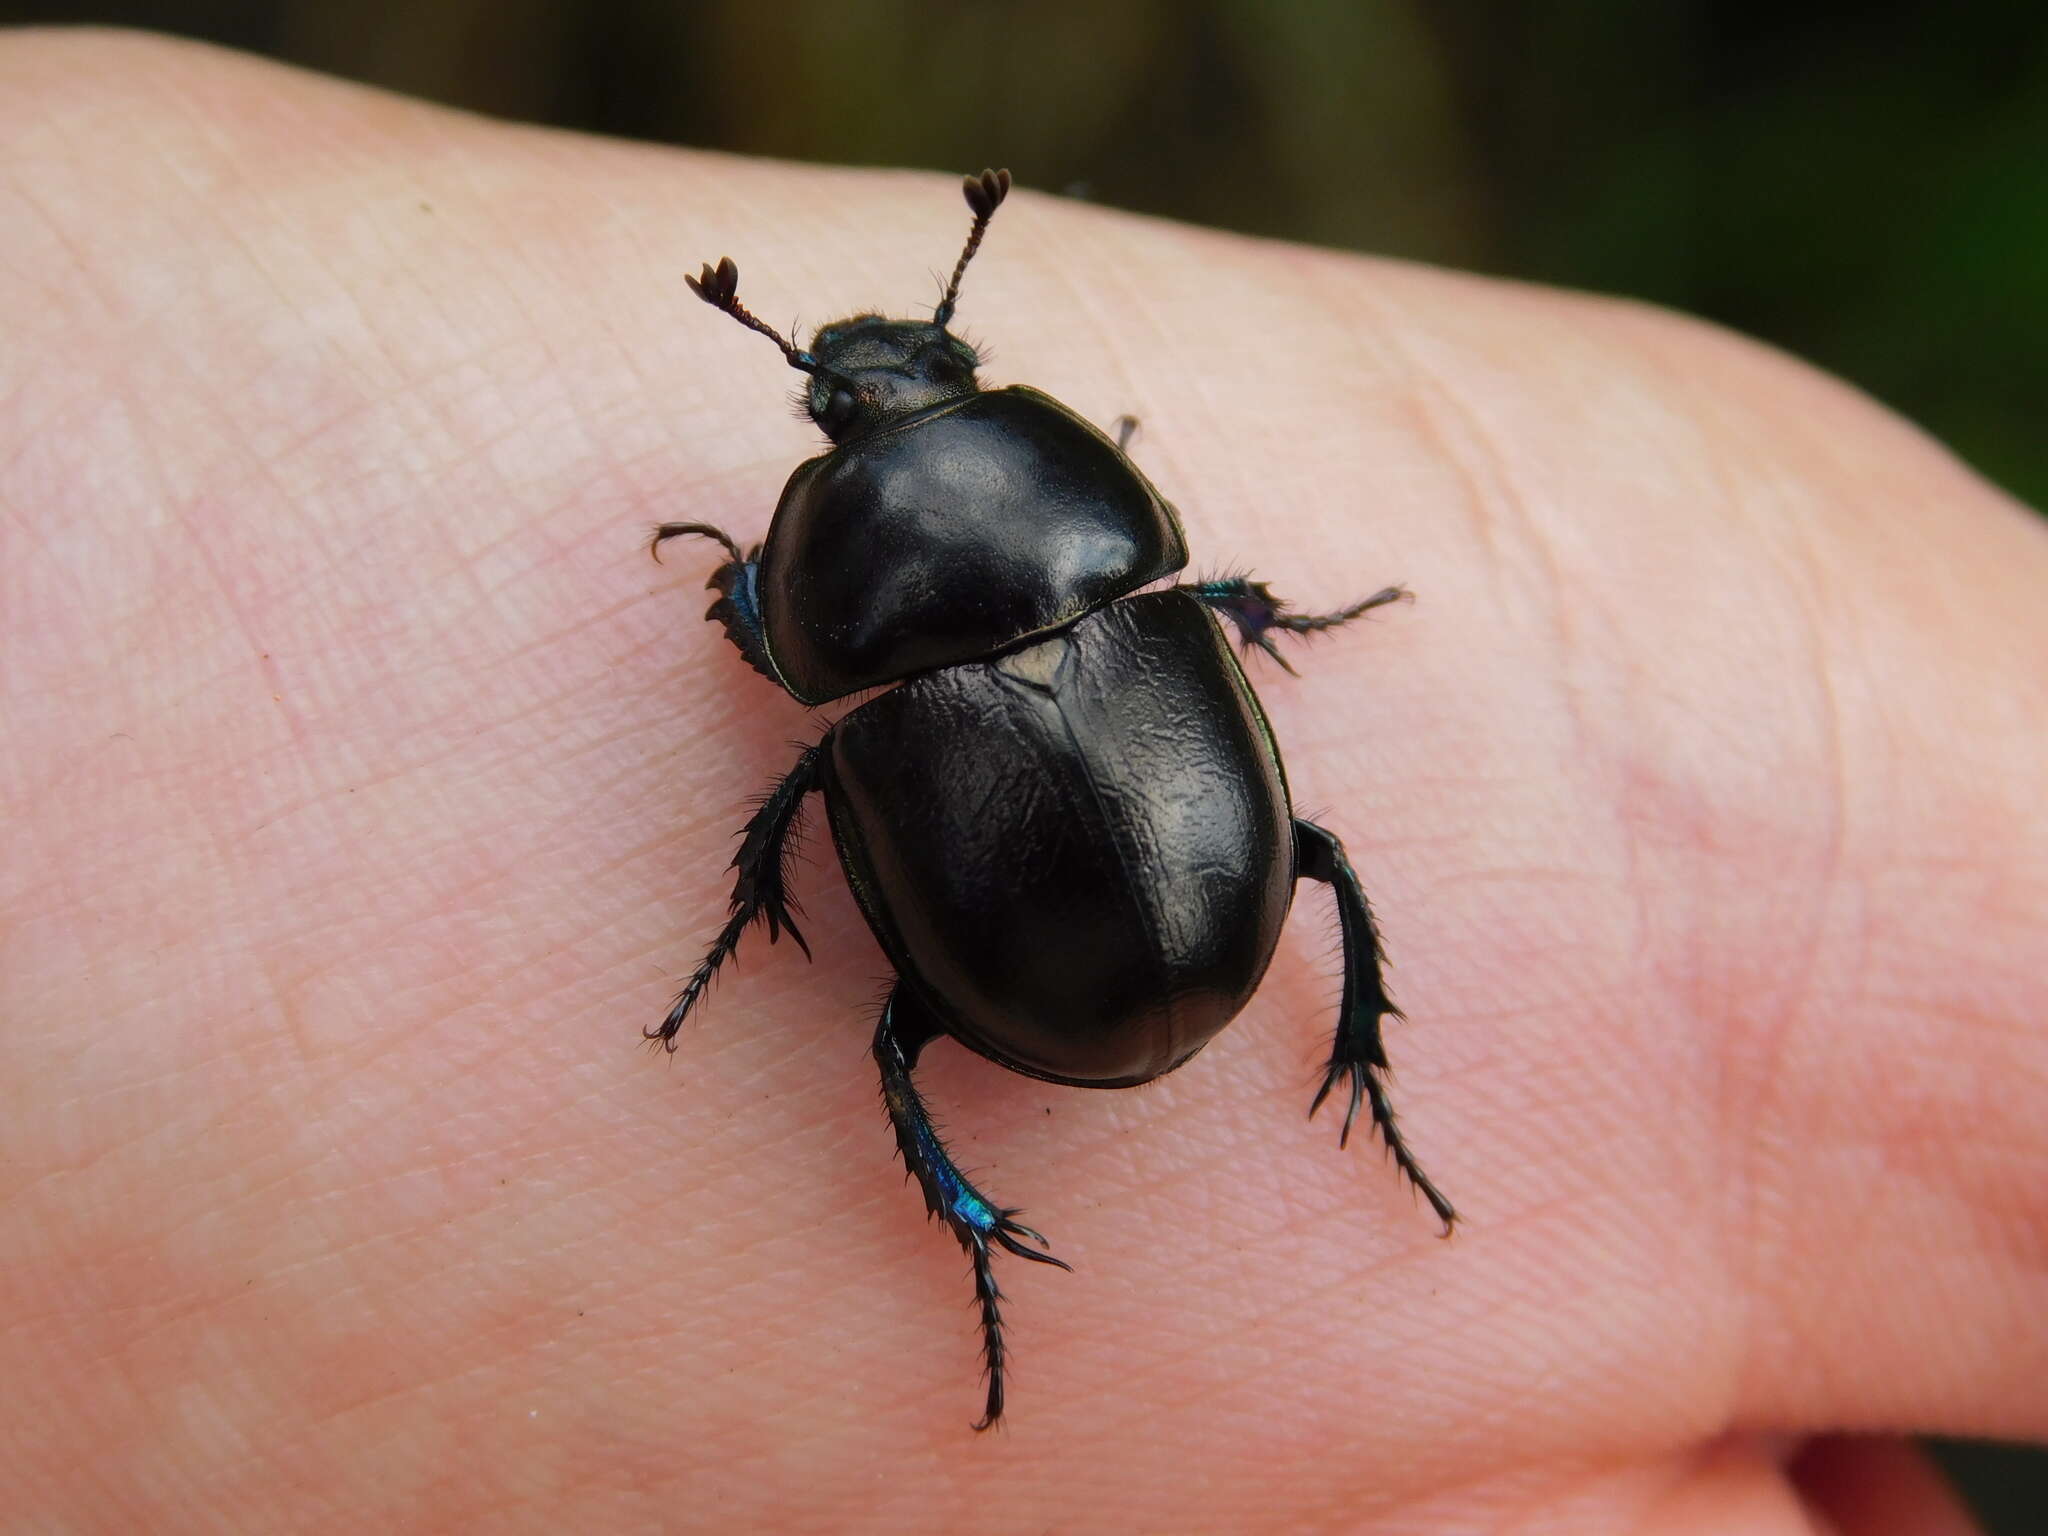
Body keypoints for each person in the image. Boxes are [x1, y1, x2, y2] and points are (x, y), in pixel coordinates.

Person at [2, 30, 2039, 1535]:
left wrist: (753, 652)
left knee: (895, 1014)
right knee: (1274, 863)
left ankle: (1017, 1221)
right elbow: (1191, 592)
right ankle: (1214, 1159)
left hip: (1055, 949)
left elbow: (802, 667)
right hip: (1163, 919)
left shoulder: (852, 621)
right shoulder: (1105, 573)